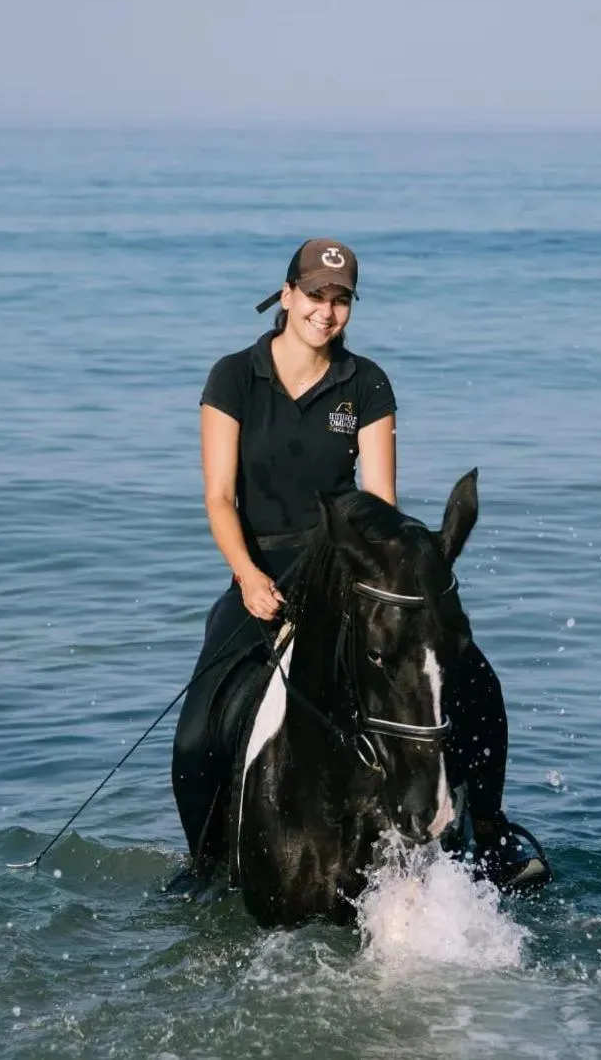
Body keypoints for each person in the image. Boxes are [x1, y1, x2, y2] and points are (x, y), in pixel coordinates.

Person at [172, 239, 549, 892]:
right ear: (287, 295)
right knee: (197, 729)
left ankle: (488, 833)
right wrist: (248, 576)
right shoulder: (233, 376)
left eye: (340, 299)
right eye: (315, 294)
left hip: (343, 568)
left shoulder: (365, 382)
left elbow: (378, 505)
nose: (326, 309)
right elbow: (217, 496)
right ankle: (205, 861)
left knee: (472, 678)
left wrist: (382, 578)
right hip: (258, 568)